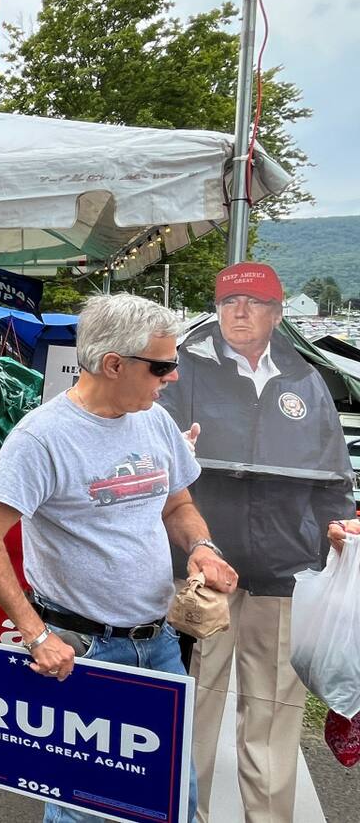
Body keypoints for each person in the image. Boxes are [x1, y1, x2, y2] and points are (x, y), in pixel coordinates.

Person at [0, 294, 237, 823]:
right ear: (114, 364)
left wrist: (202, 547)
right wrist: (36, 635)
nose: (173, 377)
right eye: (162, 365)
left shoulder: (154, 420)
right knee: (86, 806)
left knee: (172, 797)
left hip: (157, 642)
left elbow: (177, 502)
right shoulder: (42, 437)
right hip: (83, 648)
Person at [156, 262, 354, 823]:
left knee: (272, 715)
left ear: (277, 310)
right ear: (217, 310)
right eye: (229, 301)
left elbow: (333, 476)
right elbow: (161, 464)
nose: (240, 312)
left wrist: (330, 542)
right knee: (194, 704)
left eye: (254, 301)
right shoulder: (182, 372)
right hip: (200, 569)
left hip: (284, 572)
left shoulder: (304, 378)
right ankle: (182, 814)